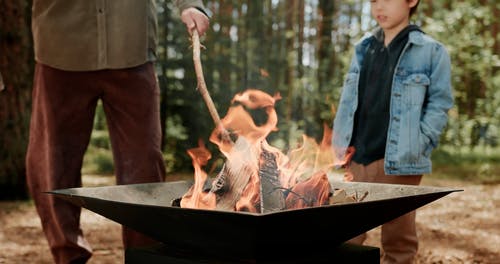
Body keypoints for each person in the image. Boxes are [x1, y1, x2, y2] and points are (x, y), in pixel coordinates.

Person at [25, 1, 210, 263]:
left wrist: (191, 5)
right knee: (51, 166)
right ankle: (67, 254)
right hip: (60, 49)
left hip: (132, 49)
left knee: (145, 167)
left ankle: (144, 255)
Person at [332, 0, 453, 263]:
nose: (379, 7)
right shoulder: (364, 47)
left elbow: (440, 103)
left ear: (411, 1)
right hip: (357, 157)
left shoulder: (431, 51)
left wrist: (421, 142)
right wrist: (341, 147)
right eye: (374, 0)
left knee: (398, 239)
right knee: (345, 234)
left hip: (400, 159)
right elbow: (349, 100)